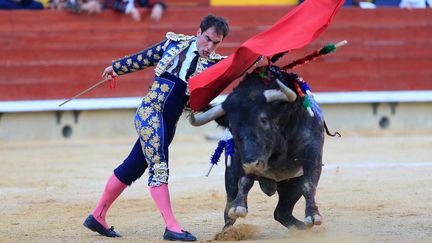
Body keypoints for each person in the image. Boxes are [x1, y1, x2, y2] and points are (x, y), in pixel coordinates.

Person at [83, 14, 229, 241]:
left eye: (216, 43)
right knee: (159, 167)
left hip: (168, 124)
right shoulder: (174, 44)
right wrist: (115, 67)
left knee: (131, 168)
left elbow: (239, 65)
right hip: (150, 114)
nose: (209, 46)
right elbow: (143, 58)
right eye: (207, 39)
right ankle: (172, 226)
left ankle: (97, 216)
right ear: (198, 32)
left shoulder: (215, 64)